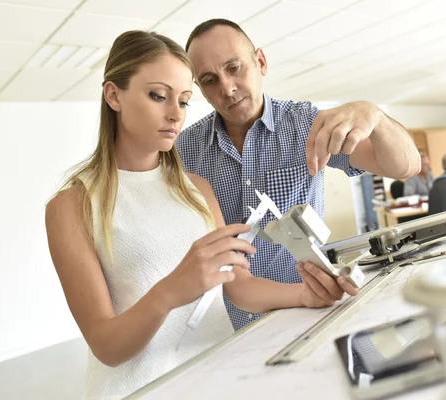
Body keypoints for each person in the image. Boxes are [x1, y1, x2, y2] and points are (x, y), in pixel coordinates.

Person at [44, 30, 358, 400]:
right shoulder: (72, 206)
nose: (175, 114)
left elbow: (238, 288)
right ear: (114, 95)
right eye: (158, 96)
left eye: (185, 100)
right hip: (140, 389)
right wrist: (173, 289)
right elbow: (106, 346)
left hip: (218, 378)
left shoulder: (196, 189)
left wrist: (307, 295)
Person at [176, 18, 421, 330]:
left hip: (310, 312)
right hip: (230, 326)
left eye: (234, 67)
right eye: (209, 80)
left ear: (260, 61)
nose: (227, 87)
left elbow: (405, 166)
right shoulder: (186, 152)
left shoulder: (305, 124)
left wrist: (376, 117)